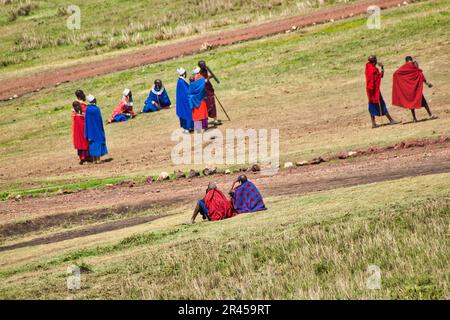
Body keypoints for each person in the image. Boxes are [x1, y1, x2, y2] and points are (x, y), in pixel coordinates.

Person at [392, 56, 437, 122]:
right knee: (424, 102)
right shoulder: (414, 65)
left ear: (406, 61)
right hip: (416, 88)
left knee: (411, 103)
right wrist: (427, 83)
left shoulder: (404, 67)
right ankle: (430, 115)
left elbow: (395, 74)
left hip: (408, 89)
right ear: (411, 60)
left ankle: (414, 118)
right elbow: (420, 74)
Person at [365, 55, 399, 128]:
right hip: (374, 90)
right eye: (376, 59)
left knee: (371, 104)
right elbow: (380, 76)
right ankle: (391, 120)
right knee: (381, 104)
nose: (377, 60)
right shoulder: (372, 69)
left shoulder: (368, 67)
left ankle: (373, 123)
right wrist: (382, 67)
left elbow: (377, 77)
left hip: (370, 90)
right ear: (374, 61)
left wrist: (381, 68)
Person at [85, 95, 108, 164]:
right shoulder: (96, 109)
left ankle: (94, 160)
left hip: (90, 129)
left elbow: (87, 121)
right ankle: (98, 159)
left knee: (92, 144)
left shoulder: (87, 109)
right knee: (97, 142)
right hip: (97, 128)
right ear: (93, 100)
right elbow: (99, 119)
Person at [198, 60, 221, 126]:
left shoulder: (205, 70)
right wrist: (208, 78)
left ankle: (205, 124)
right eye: (203, 64)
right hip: (205, 92)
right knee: (200, 110)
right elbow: (203, 81)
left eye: (205, 64)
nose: (205, 65)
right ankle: (200, 126)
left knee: (211, 105)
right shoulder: (200, 73)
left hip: (208, 91)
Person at [189, 67, 209, 132]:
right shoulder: (201, 79)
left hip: (194, 101)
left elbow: (189, 93)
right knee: (203, 113)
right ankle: (204, 127)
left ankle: (198, 128)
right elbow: (204, 84)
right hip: (201, 99)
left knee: (196, 114)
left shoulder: (191, 85)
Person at [176, 68, 194, 133]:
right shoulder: (181, 82)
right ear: (183, 74)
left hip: (184, 101)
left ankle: (191, 127)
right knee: (187, 113)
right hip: (185, 101)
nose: (186, 74)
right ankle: (188, 128)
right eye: (185, 73)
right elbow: (186, 92)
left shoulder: (180, 81)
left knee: (188, 113)